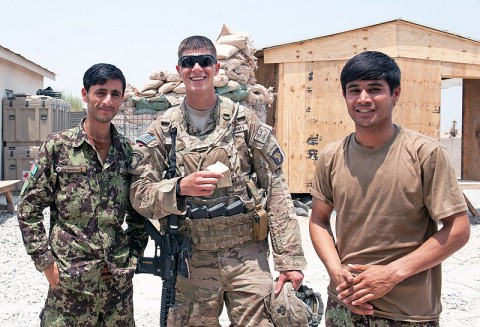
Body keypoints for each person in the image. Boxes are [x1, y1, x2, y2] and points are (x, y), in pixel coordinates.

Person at [129, 35, 307, 326]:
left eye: (204, 61)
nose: (196, 68)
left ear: (216, 68)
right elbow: (139, 193)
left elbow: (275, 188)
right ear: (179, 69)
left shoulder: (244, 120)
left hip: (247, 255)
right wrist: (178, 189)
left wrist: (290, 261)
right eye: (188, 63)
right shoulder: (163, 128)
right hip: (192, 257)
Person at [309, 51, 470, 326]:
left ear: (395, 94)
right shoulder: (331, 155)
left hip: (408, 314)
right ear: (344, 95)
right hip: (344, 308)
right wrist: (335, 271)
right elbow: (318, 220)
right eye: (354, 90)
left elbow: (458, 229)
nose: (363, 99)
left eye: (375, 90)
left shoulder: (425, 154)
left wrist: (393, 273)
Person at [17, 63, 149, 327]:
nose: (107, 101)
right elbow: (28, 208)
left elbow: (139, 214)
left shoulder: (128, 152)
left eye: (115, 94)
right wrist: (45, 262)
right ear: (85, 93)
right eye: (100, 92)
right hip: (69, 284)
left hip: (116, 288)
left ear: (122, 99)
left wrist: (131, 258)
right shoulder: (58, 147)